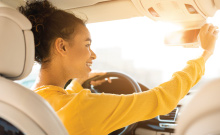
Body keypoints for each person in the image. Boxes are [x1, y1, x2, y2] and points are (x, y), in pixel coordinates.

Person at [19, 1, 219, 135]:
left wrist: (77, 84)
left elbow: (67, 109)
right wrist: (204, 55)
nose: (93, 54)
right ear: (62, 46)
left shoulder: (28, 100)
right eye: (87, 45)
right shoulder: (83, 107)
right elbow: (161, 100)